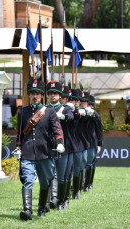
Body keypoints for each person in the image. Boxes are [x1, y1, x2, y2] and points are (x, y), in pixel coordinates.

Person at [16, 79, 65, 221]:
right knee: (28, 180)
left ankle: (42, 208)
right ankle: (27, 210)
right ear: (29, 95)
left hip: (45, 152)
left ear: (42, 96)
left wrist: (60, 143)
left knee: (45, 182)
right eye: (32, 93)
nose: (35, 96)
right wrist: (18, 147)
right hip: (28, 152)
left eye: (37, 93)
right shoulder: (23, 112)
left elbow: (57, 129)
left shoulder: (49, 112)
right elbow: (20, 134)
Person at [47, 81, 74, 211]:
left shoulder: (66, 108)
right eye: (51, 93)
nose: (53, 96)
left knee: (62, 175)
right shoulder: (45, 109)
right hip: (48, 146)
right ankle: (51, 200)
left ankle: (61, 201)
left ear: (59, 96)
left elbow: (70, 117)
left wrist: (62, 116)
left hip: (63, 146)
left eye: (55, 94)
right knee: (49, 175)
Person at [84, 95, 103, 192]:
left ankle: (88, 183)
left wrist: (99, 143)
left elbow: (99, 128)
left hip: (92, 142)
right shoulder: (81, 113)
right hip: (82, 141)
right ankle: (83, 183)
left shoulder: (94, 114)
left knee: (90, 163)